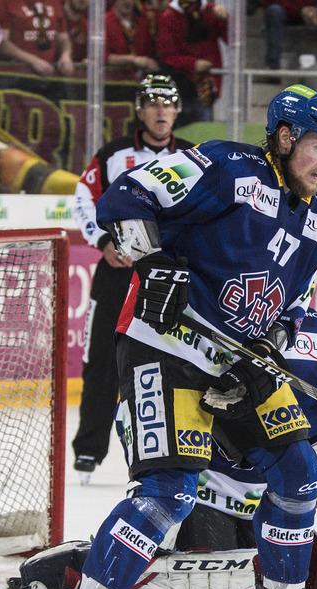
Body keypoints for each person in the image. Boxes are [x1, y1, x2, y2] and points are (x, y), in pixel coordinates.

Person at [44, 84, 317, 589]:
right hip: (165, 347)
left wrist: (268, 356)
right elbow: (126, 199)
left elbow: (288, 310)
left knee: (300, 472)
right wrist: (157, 263)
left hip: (234, 361)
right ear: (285, 138)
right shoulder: (226, 166)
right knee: (170, 492)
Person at [12, 311, 317, 589]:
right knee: (210, 583)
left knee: (296, 576)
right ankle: (71, 580)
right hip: (201, 485)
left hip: (262, 492)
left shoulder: (308, 328)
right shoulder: (207, 313)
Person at [71, 74, 195, 482]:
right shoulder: (113, 153)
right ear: (140, 111)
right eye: (153, 103)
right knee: (102, 362)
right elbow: (84, 200)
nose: (161, 111)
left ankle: (181, 451)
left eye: (168, 103)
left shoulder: (195, 157)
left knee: (179, 363)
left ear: (177, 111)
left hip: (169, 277)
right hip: (117, 275)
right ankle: (89, 450)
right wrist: (104, 241)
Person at [156, 0, 228, 123]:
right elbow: (167, 56)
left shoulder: (211, 11)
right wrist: (193, 64)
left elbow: (234, 41)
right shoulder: (169, 16)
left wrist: (226, 21)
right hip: (179, 85)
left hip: (205, 86)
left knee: (204, 135)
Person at [0, 0, 74, 75]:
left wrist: (65, 55)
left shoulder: (55, 2)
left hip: (49, 71)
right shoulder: (4, 2)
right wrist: (33, 61)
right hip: (17, 72)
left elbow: (63, 37)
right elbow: (1, 43)